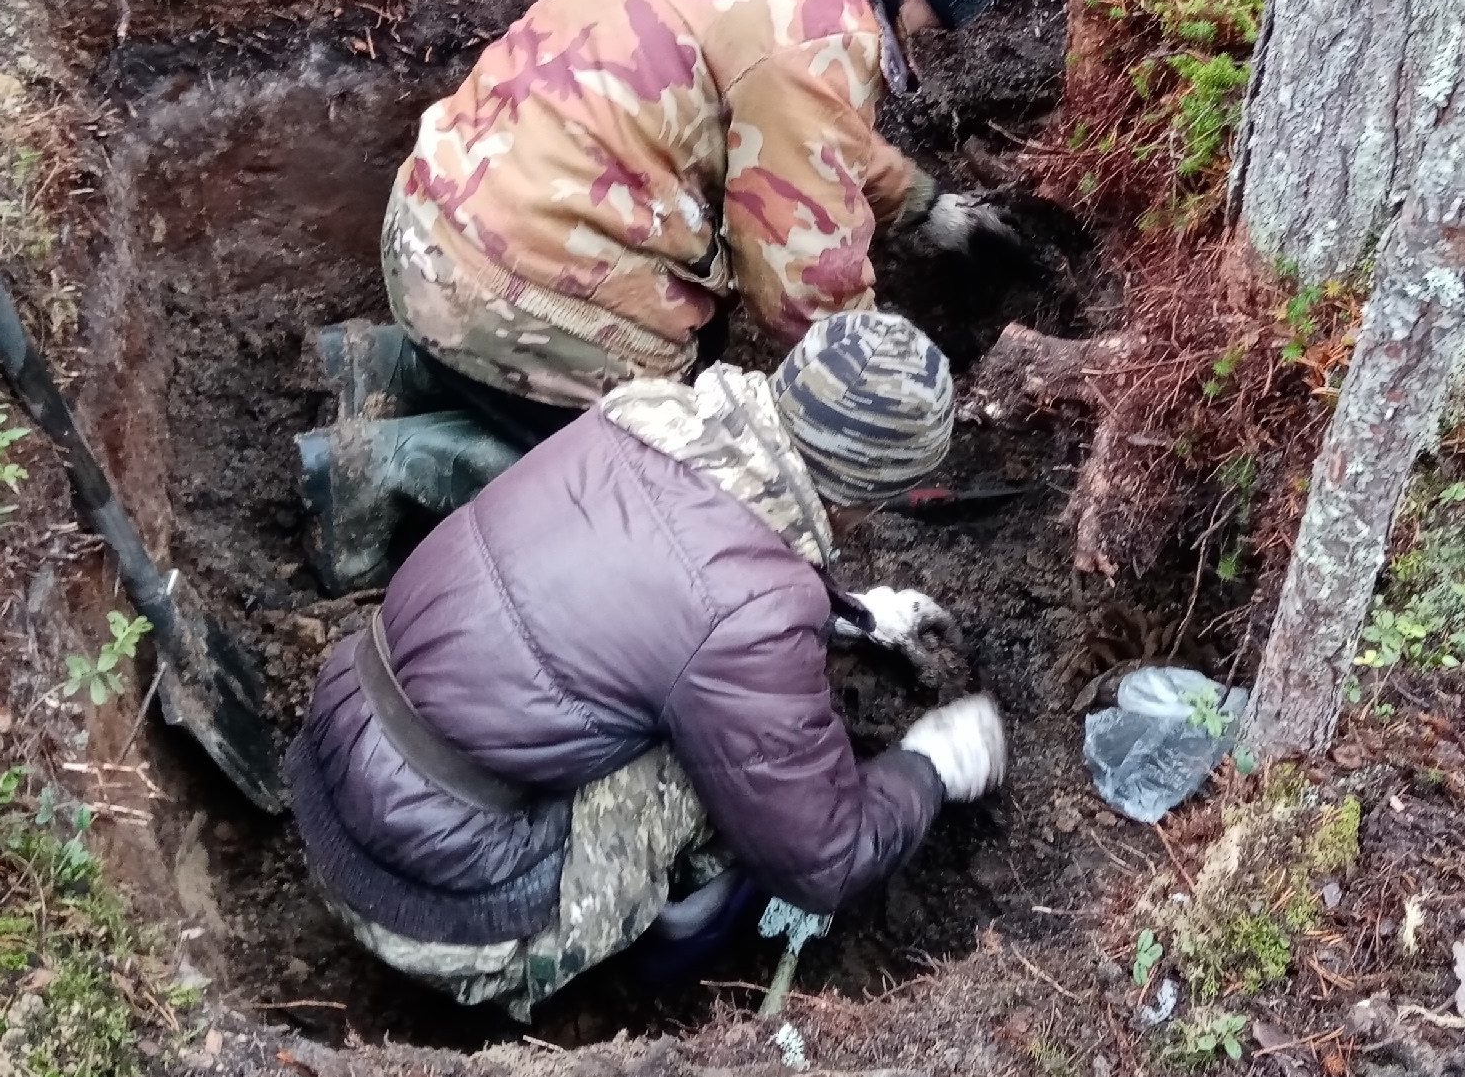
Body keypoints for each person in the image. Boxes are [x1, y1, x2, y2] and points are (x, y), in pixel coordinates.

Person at [299, 0, 1021, 590]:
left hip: (441, 222)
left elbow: (797, 123)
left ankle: (380, 366)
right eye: (926, 23)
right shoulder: (823, 31)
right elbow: (804, 284)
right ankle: (389, 470)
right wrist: (880, 420)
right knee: (660, 493)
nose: (916, 39)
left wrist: (920, 204)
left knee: (648, 358)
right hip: (525, 299)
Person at [287, 311, 1007, 1018]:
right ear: (865, 496)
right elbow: (826, 858)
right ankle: (668, 953)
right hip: (428, 905)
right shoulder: (751, 615)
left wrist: (848, 613)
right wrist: (928, 766)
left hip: (337, 765)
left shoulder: (642, 417)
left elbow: (658, 590)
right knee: (720, 776)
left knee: (705, 717)